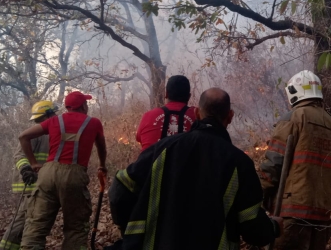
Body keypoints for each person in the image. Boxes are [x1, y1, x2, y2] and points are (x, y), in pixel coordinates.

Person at [108, 88, 282, 250]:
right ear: (230, 116)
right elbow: (253, 229)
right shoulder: (240, 163)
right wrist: (273, 227)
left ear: (197, 113)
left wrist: (130, 231)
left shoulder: (163, 149)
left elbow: (119, 189)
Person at [259, 70, 331, 250]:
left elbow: (274, 162)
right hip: (322, 213)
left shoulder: (294, 118)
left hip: (291, 211)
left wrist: (259, 195)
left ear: (294, 92)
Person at [18, 91, 107, 250]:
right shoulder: (94, 123)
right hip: (74, 176)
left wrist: (33, 163)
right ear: (83, 106)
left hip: (48, 174)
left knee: (36, 226)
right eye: (86, 103)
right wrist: (102, 165)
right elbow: (101, 146)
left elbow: (23, 137)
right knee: (75, 228)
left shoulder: (54, 121)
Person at [0, 101, 58, 250]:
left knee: (27, 223)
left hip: (41, 185)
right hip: (31, 185)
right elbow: (19, 155)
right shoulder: (35, 133)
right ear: (50, 114)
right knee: (25, 224)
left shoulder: (54, 132)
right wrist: (27, 169)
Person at [136, 75, 196, 151]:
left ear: (166, 94)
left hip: (150, 162)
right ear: (189, 96)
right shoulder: (198, 116)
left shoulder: (148, 116)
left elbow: (139, 138)